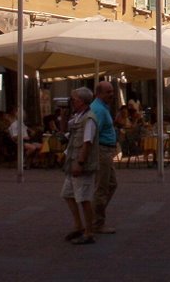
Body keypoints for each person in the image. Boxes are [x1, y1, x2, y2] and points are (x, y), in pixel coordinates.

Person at [62, 87, 98, 245]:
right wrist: (63, 117)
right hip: (72, 162)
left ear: (82, 101)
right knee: (68, 194)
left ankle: (89, 232)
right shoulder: (77, 117)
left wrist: (80, 162)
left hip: (81, 165)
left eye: (74, 99)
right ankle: (79, 226)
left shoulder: (89, 119)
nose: (72, 102)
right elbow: (65, 132)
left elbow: (87, 142)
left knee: (84, 199)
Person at [89, 81, 118, 235]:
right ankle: (96, 222)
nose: (111, 94)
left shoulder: (102, 107)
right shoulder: (99, 110)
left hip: (106, 150)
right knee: (102, 187)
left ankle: (94, 215)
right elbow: (92, 132)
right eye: (108, 92)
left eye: (112, 91)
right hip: (102, 150)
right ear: (99, 93)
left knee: (112, 184)